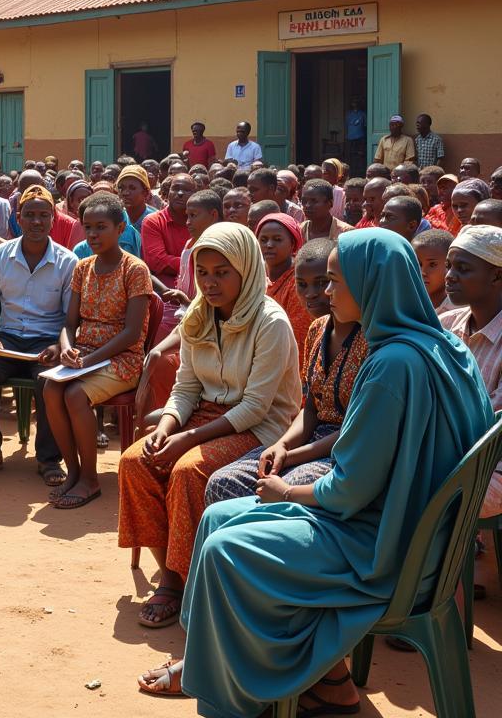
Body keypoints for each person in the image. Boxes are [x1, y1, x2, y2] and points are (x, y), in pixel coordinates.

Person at [139, 228, 493, 707]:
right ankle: (306, 680)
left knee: (226, 548)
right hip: (412, 529)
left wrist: (284, 493)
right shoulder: (443, 347)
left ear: (370, 285)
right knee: (217, 517)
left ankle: (235, 692)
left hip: (388, 550)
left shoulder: (391, 365)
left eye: (334, 282)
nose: (325, 294)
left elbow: (347, 491)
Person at [119, 223, 300, 629]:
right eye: (203, 272)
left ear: (246, 270)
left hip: (258, 428)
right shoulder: (198, 315)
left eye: (222, 272)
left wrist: (187, 438)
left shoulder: (271, 322)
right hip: (202, 417)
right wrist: (167, 425)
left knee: (188, 470)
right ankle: (170, 573)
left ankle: (185, 580)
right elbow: (185, 387)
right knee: (137, 461)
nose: (210, 282)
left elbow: (256, 407)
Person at [205, 237, 368, 505]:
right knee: (223, 483)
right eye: (302, 285)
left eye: (326, 282)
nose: (315, 293)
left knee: (281, 491)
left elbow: (358, 427)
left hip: (344, 450)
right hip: (309, 442)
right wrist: (282, 445)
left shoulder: (369, 340)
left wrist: (292, 455)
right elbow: (311, 409)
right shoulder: (317, 330)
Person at [0, 185, 77, 487]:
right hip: (7, 338)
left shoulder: (67, 262)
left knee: (51, 380)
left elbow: (70, 320)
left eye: (43, 215)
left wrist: (57, 345)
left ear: (53, 218)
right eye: (29, 215)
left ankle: (48, 458)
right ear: (17, 218)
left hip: (46, 342)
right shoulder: (0, 255)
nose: (36, 222)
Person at [45, 192, 151, 509]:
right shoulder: (82, 268)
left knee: (75, 394)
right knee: (51, 388)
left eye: (101, 227)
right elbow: (69, 323)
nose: (92, 235)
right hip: (84, 355)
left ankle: (90, 480)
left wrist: (88, 360)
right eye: (87, 227)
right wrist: (66, 349)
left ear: (121, 229)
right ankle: (74, 471)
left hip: (122, 358)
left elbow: (133, 334)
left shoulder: (135, 270)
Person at [439, 225, 502, 523]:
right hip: (447, 451)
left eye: (463, 269)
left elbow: (491, 424)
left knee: (411, 491)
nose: (449, 276)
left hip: (492, 467)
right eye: (449, 266)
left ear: (497, 276)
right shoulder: (446, 325)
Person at [257, 213, 312, 356]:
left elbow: (297, 336)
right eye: (263, 240)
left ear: (292, 244)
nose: (269, 245)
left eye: (277, 239)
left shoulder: (298, 281)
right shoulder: (256, 275)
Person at [413, 228, 456, 314]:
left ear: (450, 266)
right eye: (417, 264)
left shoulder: (458, 311)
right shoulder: (401, 303)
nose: (422, 272)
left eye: (432, 265)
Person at [115, 164, 157, 236]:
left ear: (145, 193)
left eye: (132, 188)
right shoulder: (115, 219)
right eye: (121, 188)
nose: (125, 193)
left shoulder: (156, 220)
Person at [345, 96, 366, 170]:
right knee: (350, 155)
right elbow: (348, 124)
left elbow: (365, 125)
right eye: (353, 102)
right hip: (350, 137)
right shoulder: (349, 114)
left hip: (360, 136)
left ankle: (360, 171)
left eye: (356, 102)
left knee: (360, 155)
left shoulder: (362, 114)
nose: (355, 104)